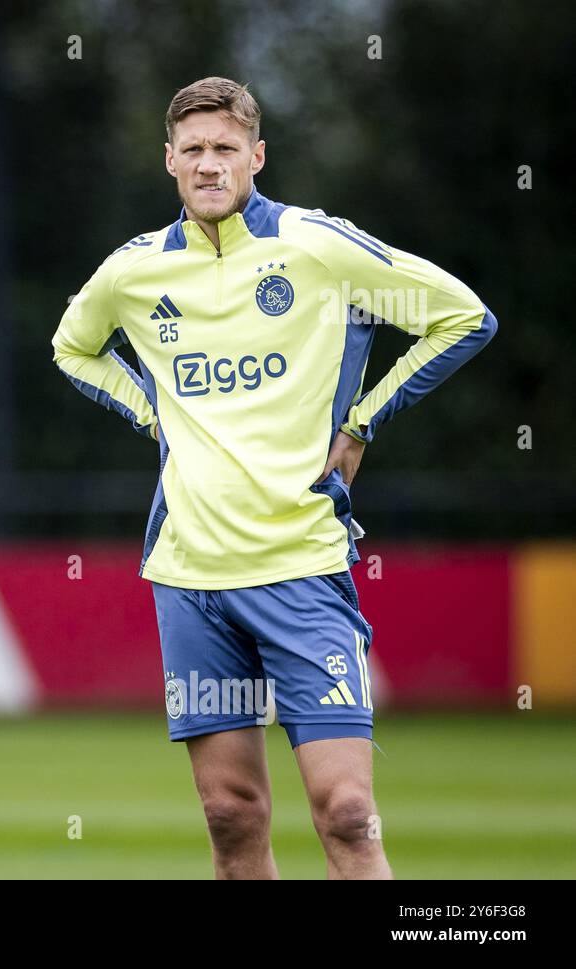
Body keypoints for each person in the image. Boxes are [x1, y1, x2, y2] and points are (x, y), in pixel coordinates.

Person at [51, 77, 495, 878]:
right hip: (192, 580)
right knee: (231, 816)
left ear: (256, 157)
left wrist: (364, 420)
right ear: (169, 162)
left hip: (302, 571)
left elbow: (463, 315)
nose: (209, 164)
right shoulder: (134, 271)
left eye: (225, 148)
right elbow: (72, 346)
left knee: (350, 815)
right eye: (194, 150)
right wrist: (151, 410)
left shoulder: (317, 247)